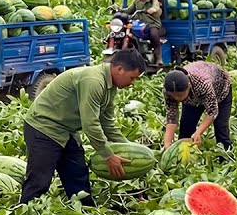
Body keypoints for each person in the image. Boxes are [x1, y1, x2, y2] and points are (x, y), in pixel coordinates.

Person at [21, 50, 146, 204]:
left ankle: (87, 214)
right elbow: (90, 124)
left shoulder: (110, 86)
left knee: (77, 176)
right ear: (119, 69)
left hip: (66, 130)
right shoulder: (94, 81)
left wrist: (130, 149)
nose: (132, 83)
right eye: (132, 78)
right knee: (39, 181)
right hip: (43, 127)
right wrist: (108, 156)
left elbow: (107, 123)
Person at [163, 62, 232, 150]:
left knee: (221, 128)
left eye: (180, 95)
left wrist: (198, 132)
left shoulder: (202, 84)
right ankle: (183, 158)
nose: (177, 98)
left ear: (189, 86)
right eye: (174, 96)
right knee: (186, 128)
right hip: (193, 99)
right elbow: (171, 115)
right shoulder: (168, 90)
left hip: (221, 91)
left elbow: (212, 111)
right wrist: (167, 142)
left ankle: (225, 157)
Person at [129, 0, 165, 66]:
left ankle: (159, 58)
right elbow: (129, 10)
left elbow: (156, 7)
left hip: (153, 24)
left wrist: (151, 10)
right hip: (140, 24)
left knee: (153, 34)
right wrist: (118, 9)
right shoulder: (136, 1)